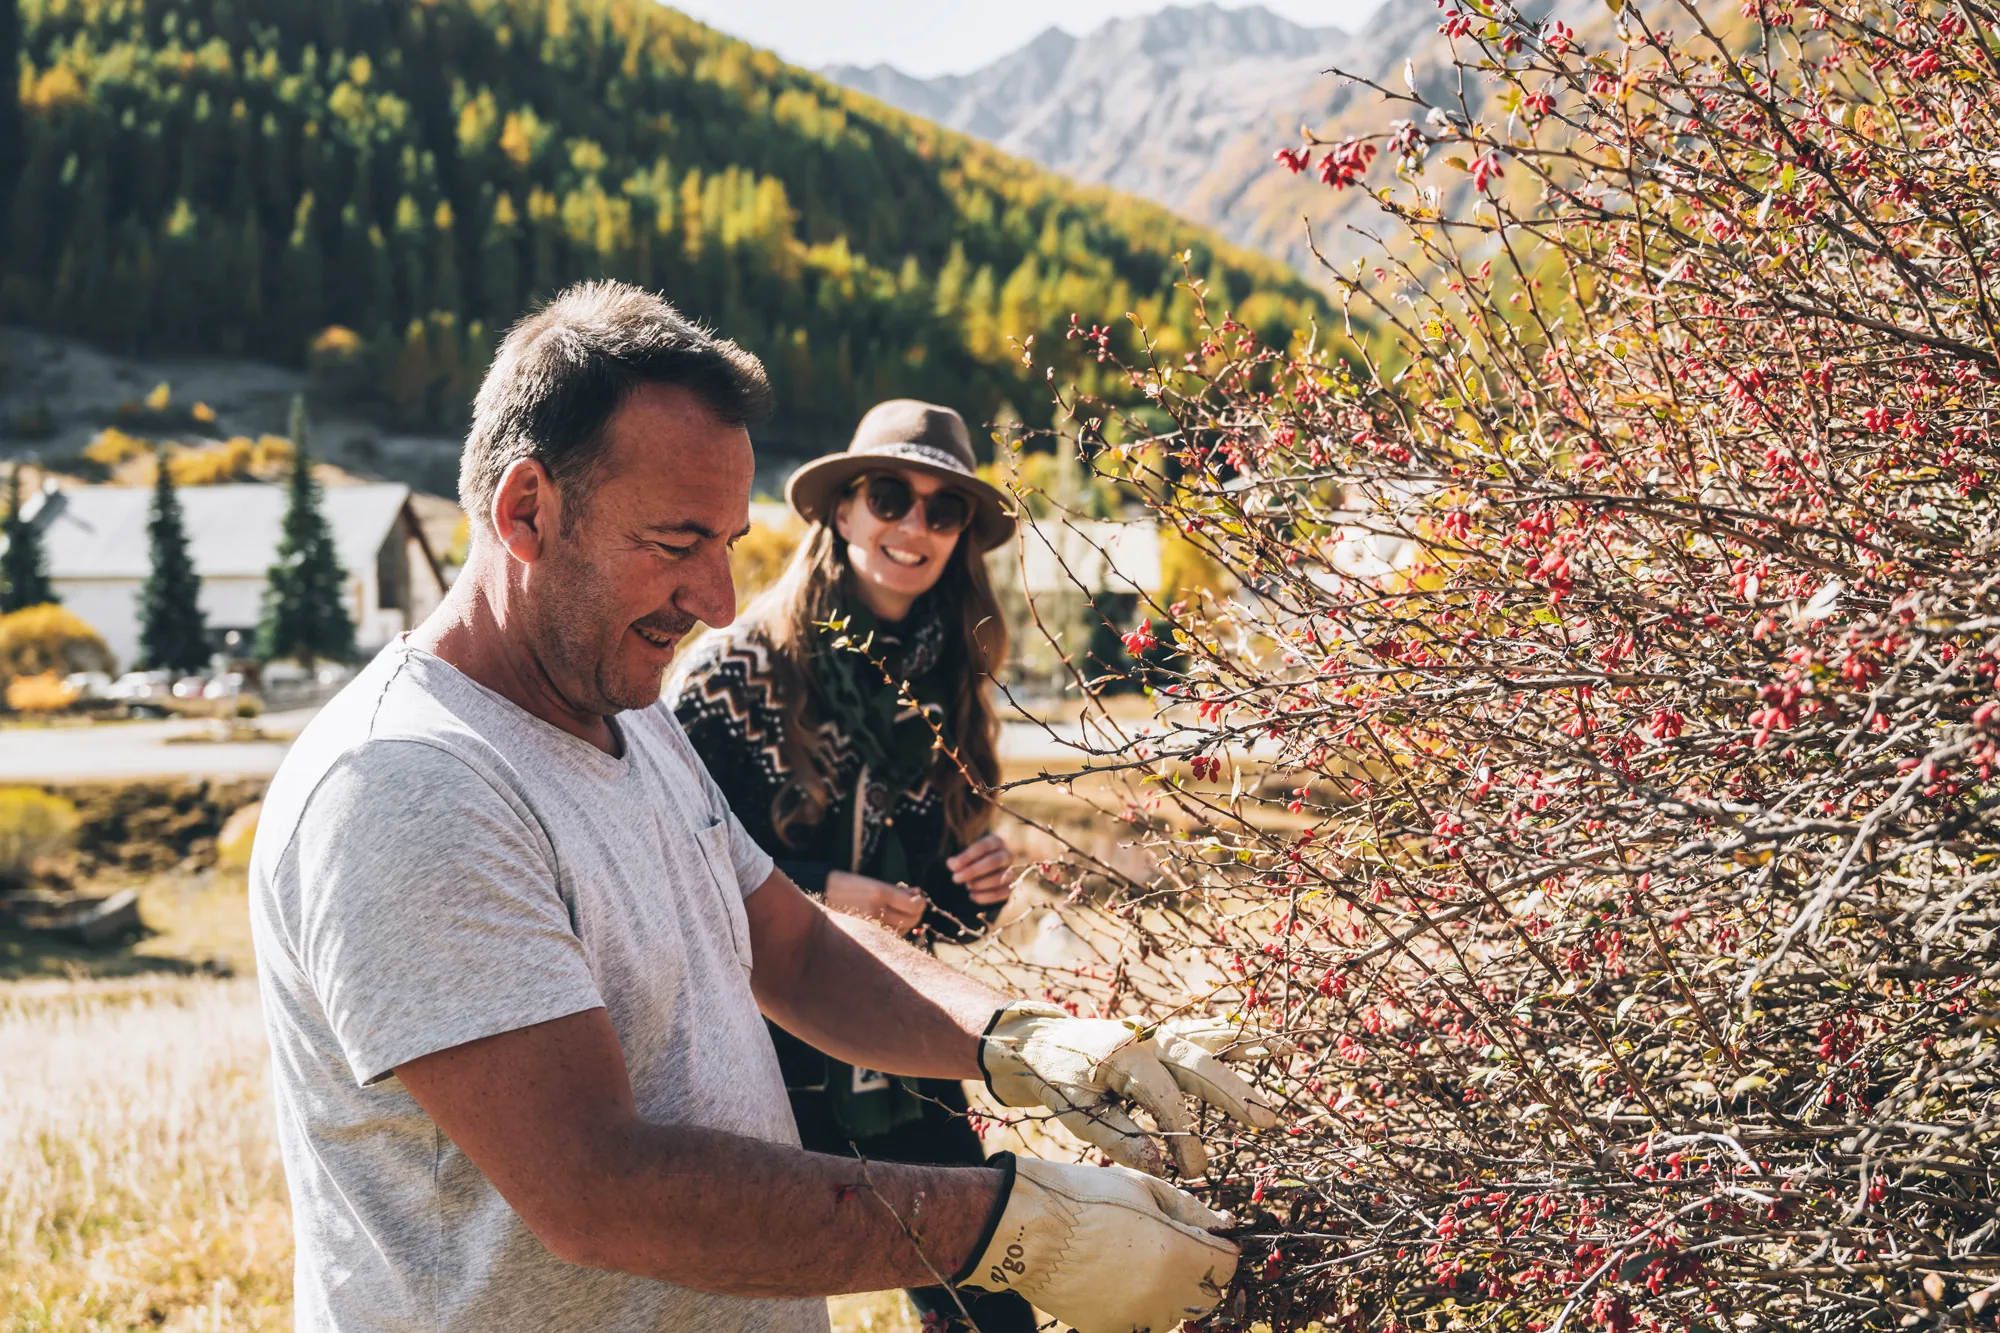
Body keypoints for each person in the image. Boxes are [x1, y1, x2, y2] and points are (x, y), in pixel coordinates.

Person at [248, 280, 1283, 1333]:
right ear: (525, 512)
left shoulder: (625, 711)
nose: (716, 599)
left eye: (727, 542)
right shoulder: (410, 786)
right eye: (674, 541)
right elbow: (599, 1189)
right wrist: (1015, 1229)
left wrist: (1016, 1039)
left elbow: (786, 946)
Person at [670, 399, 1029, 1332]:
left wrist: (967, 891)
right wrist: (825, 894)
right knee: (746, 1310)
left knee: (989, 1299)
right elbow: (679, 866)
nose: (914, 526)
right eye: (889, 495)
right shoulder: (731, 674)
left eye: (942, 510)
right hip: (757, 1049)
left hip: (891, 1033)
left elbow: (940, 921)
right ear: (841, 509)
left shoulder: (949, 689)